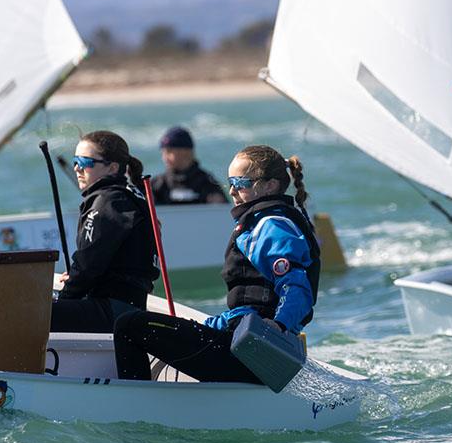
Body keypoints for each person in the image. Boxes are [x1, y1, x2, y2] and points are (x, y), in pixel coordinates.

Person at [114, 145, 320, 383]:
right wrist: (211, 324)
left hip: (251, 352)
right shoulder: (261, 221)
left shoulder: (271, 226)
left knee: (128, 324)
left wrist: (279, 325)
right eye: (230, 182)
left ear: (270, 185)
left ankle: (136, 404)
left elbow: (296, 287)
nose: (232, 190)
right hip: (240, 340)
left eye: (240, 182)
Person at [50, 130, 160, 333]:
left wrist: (66, 295)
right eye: (75, 161)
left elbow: (88, 265)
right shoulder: (126, 196)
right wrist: (75, 280)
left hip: (114, 312)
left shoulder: (108, 202)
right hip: (126, 307)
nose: (76, 168)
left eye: (85, 162)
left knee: (30, 314)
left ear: (112, 168)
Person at [151, 126, 227, 205]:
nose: (164, 157)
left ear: (186, 151)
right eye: (163, 152)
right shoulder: (157, 184)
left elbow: (222, 212)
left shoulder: (207, 182)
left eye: (169, 152)